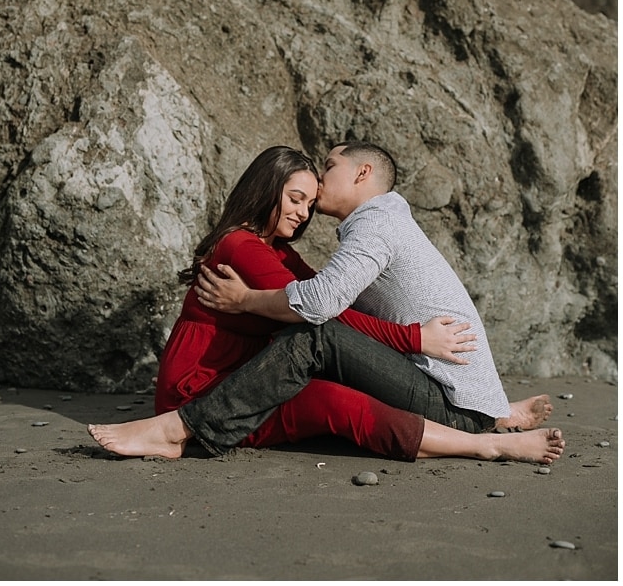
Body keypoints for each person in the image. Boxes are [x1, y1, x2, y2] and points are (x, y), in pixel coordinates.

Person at [88, 145, 562, 464]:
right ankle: (488, 436)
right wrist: (412, 338)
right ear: (265, 190)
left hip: (240, 380)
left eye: (309, 200)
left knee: (321, 352)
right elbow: (324, 309)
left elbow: (321, 307)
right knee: (329, 373)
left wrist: (249, 300)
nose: (303, 210)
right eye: (295, 198)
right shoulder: (242, 246)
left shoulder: (343, 234)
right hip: (203, 384)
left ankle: (488, 428)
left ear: (361, 174)